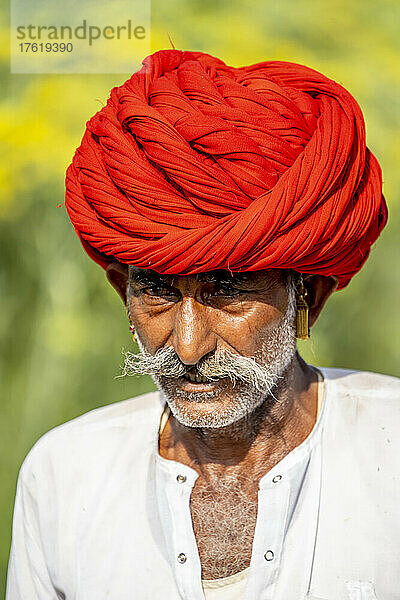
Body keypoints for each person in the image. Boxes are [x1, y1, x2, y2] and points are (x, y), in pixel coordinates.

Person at [6, 50, 399, 600]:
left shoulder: (392, 451)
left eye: (228, 292)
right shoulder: (64, 475)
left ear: (309, 294)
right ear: (123, 290)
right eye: (158, 293)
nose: (187, 347)